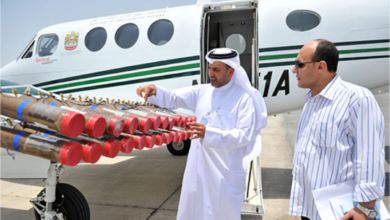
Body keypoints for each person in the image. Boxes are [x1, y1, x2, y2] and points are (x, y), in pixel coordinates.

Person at [136, 48, 267, 220]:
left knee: (219, 214)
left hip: (224, 173)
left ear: (231, 71)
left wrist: (208, 134)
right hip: (197, 169)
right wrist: (155, 90)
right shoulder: (203, 91)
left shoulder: (244, 98)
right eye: (210, 68)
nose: (211, 74)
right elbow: (174, 97)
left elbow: (244, 135)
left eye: (217, 70)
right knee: (193, 211)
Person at [289, 39, 386, 220]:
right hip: (312, 209)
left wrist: (365, 208)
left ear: (321, 67)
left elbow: (370, 156)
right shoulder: (311, 102)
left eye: (299, 64)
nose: (294, 70)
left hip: (342, 213)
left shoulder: (357, 99)